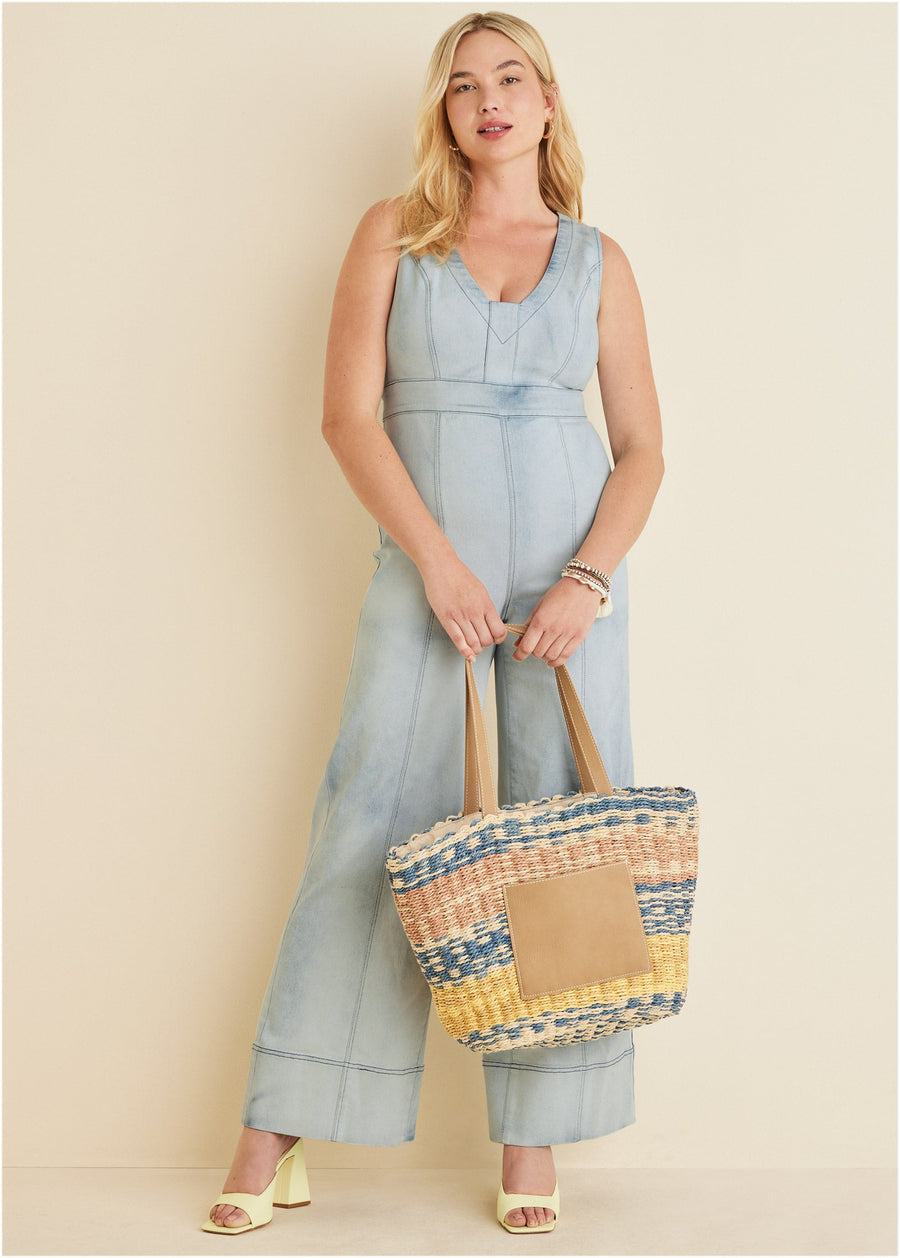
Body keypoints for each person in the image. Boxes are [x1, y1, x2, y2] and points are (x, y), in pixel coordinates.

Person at [202, 8, 663, 1237]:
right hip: (425, 580)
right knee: (367, 828)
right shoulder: (393, 235)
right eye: (465, 86)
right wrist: (439, 565)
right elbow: (348, 419)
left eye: (511, 79)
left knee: (557, 847)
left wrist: (587, 581)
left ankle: (533, 1140)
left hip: (571, 596)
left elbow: (642, 449)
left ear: (548, 104)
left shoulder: (598, 260)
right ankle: (278, 1127)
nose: (490, 100)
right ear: (444, 114)